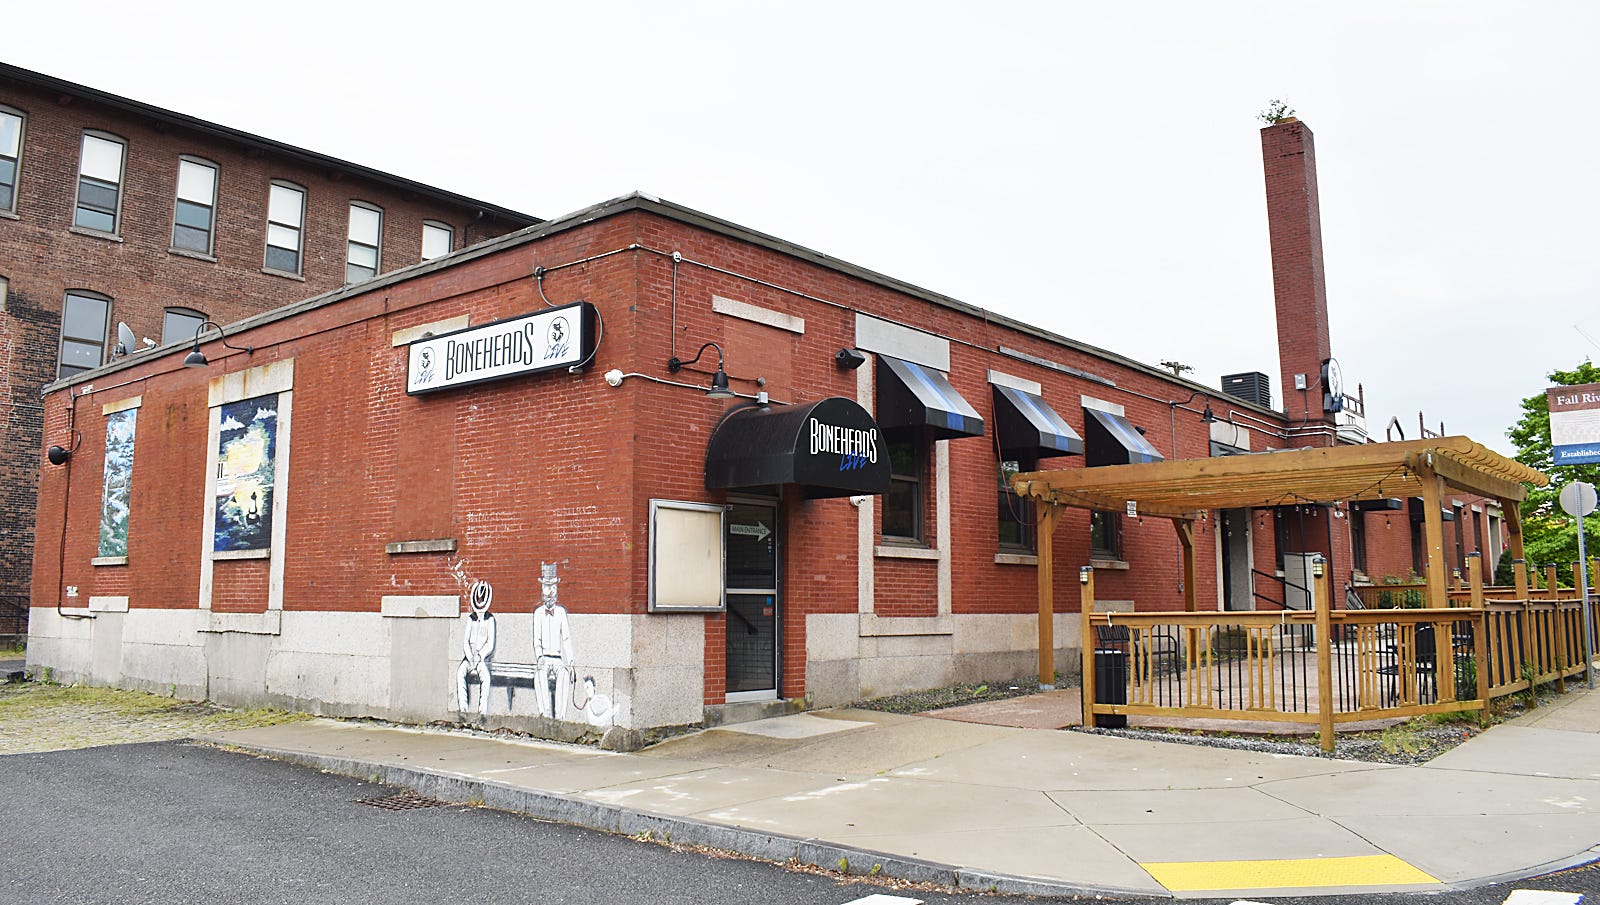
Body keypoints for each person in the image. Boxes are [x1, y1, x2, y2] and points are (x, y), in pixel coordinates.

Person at [532, 562, 574, 720]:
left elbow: (567, 638)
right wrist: (539, 657)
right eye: (546, 587)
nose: (549, 592)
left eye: (552, 587)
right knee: (539, 676)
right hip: (544, 657)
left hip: (557, 658)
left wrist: (570, 661)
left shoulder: (561, 613)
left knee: (563, 675)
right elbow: (536, 640)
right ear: (542, 590)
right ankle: (545, 714)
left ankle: (561, 716)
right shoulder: (538, 613)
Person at [455, 580, 496, 716]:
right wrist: (469, 656)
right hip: (469, 657)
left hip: (481, 658)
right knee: (460, 673)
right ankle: (463, 709)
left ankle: (482, 712)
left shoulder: (490, 620)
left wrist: (480, 656)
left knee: (486, 678)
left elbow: (490, 643)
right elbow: (465, 641)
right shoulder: (470, 619)